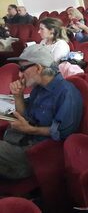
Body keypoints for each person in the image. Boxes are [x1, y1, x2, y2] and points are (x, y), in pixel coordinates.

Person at [0, 44, 82, 179]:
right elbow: (25, 117)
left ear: (38, 68)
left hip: (38, 154)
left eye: (23, 69)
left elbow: (61, 133)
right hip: (20, 141)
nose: (20, 74)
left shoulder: (66, 93)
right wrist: (18, 96)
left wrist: (30, 130)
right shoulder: (39, 88)